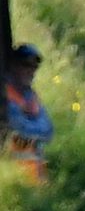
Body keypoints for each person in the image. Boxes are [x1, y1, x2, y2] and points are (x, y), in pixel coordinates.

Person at [3, 46, 52, 179]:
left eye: (34, 67)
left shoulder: (30, 96)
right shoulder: (5, 94)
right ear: (13, 65)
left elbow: (48, 130)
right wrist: (33, 122)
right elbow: (18, 127)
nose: (31, 71)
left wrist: (33, 128)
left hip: (35, 175)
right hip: (12, 174)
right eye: (26, 65)